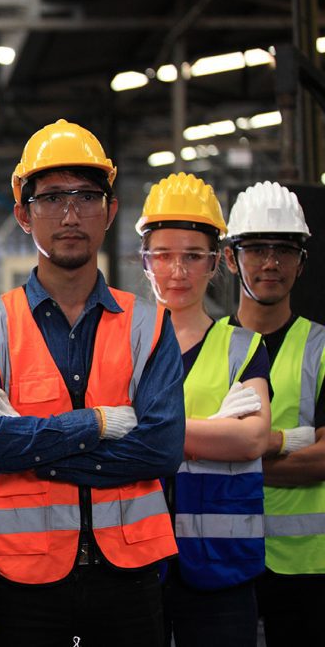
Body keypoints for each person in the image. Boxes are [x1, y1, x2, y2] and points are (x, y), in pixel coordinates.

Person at [0, 119, 185, 647]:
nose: (71, 213)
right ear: (22, 214)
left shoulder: (150, 325)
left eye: (86, 196)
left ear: (111, 209)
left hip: (130, 578)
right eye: (52, 198)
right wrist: (96, 424)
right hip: (22, 581)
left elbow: (162, 449)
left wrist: (27, 442)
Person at [135, 173, 271, 646]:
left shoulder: (243, 347)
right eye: (163, 255)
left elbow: (253, 439)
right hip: (134, 563)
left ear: (216, 262)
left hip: (220, 567)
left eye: (193, 256)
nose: (178, 271)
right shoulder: (120, 345)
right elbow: (97, 439)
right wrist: (211, 434)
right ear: (145, 261)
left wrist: (146, 432)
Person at [222, 181, 325, 646]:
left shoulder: (322, 349)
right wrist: (288, 442)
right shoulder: (201, 348)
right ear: (229, 259)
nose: (270, 263)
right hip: (218, 562)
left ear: (301, 263)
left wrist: (231, 460)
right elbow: (173, 452)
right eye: (257, 248)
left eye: (284, 250)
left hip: (308, 570)